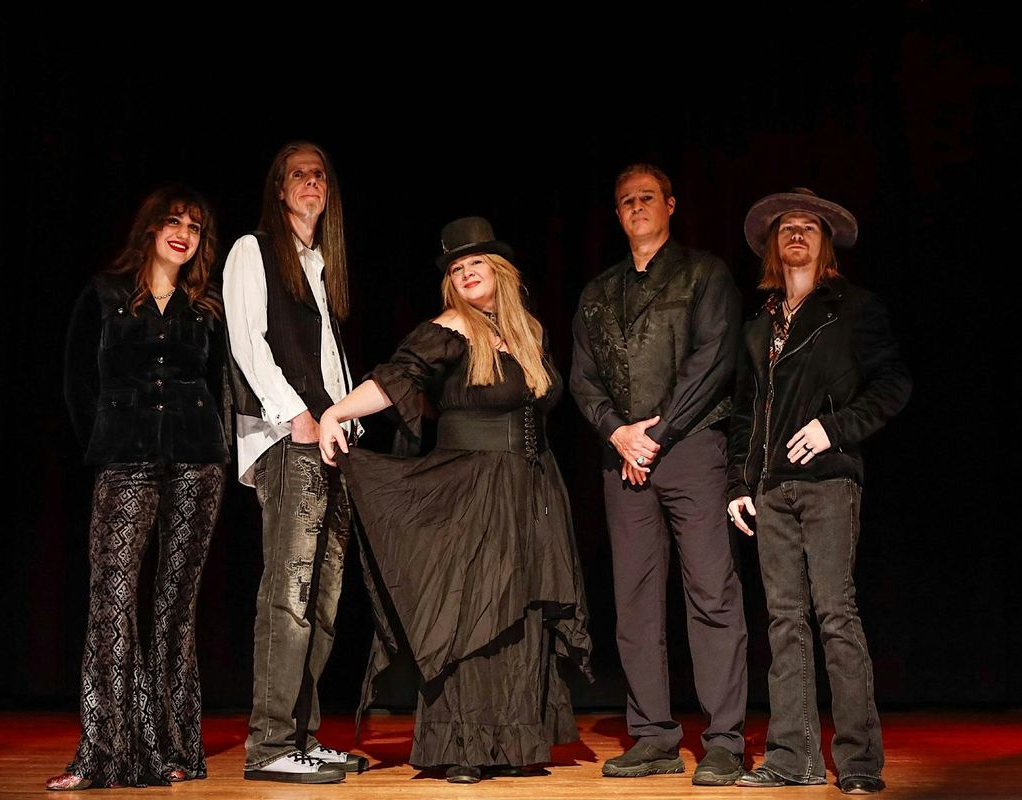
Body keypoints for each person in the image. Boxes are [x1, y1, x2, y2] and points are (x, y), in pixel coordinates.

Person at [319, 217, 591, 785]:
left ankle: (515, 742)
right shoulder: (447, 329)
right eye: (457, 267)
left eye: (476, 263)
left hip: (532, 486)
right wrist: (336, 412)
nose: (466, 273)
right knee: (474, 612)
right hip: (471, 486)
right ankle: (464, 745)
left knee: (522, 613)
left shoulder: (527, 332)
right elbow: (395, 378)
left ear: (500, 271)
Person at [569, 164, 748, 785]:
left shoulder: (704, 274)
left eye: (648, 197)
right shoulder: (598, 292)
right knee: (635, 601)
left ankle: (724, 740)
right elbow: (582, 378)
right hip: (623, 458)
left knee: (711, 593)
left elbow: (713, 360)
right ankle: (653, 736)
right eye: (627, 201)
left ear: (670, 205)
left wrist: (656, 433)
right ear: (617, 214)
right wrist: (618, 433)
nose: (637, 207)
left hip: (691, 448)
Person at [729, 189, 910, 796]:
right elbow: (744, 412)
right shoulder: (759, 323)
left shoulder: (852, 308)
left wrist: (834, 427)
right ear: (773, 245)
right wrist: (739, 482)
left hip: (829, 481)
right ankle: (792, 757)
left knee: (835, 613)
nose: (797, 234)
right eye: (787, 227)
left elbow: (893, 384)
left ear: (825, 242)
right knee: (784, 622)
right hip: (771, 489)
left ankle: (858, 761)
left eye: (809, 226)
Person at [51, 185, 228, 790]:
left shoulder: (205, 306)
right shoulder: (105, 293)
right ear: (150, 228)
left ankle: (173, 748)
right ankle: (103, 753)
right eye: (174, 222)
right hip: (125, 459)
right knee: (113, 600)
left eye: (195, 228)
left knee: (175, 608)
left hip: (196, 460)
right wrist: (104, 440)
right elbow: (76, 381)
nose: (184, 234)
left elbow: (221, 383)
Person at [222, 141, 363, 784]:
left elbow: (326, 355)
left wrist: (344, 418)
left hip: (328, 439)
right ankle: (271, 744)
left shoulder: (320, 265)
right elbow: (248, 343)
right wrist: (295, 415)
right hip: (288, 438)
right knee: (290, 590)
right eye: (298, 174)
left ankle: (302, 736)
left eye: (319, 174)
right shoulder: (252, 250)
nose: (311, 182)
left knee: (324, 596)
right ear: (279, 189)